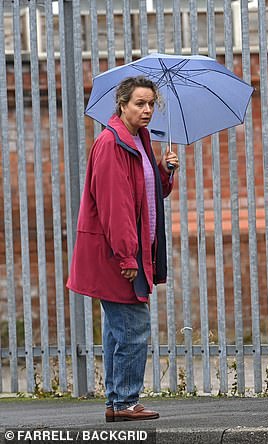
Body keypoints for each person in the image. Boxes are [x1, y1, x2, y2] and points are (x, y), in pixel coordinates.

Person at [67, 76, 179, 422]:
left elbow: (147, 195)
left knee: (120, 331)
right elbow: (115, 206)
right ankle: (127, 402)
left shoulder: (138, 139)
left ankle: (118, 403)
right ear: (122, 105)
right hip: (116, 256)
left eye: (150, 104)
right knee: (134, 328)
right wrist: (127, 256)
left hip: (128, 253)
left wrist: (165, 170)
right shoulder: (111, 144)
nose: (146, 111)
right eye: (139, 104)